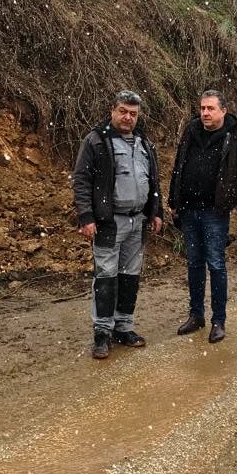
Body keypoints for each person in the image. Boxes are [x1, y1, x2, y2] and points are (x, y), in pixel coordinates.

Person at [73, 90, 163, 359]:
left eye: (133, 113)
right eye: (123, 111)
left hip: (138, 221)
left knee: (130, 277)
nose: (128, 117)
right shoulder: (96, 141)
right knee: (105, 276)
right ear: (112, 110)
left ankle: (123, 326)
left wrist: (156, 212)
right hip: (109, 222)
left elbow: (154, 180)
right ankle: (102, 332)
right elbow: (81, 180)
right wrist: (86, 217)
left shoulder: (144, 142)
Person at [168, 90, 237, 343]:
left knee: (216, 265)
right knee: (194, 264)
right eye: (202, 108)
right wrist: (173, 200)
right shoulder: (191, 130)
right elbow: (179, 165)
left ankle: (218, 321)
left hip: (214, 212)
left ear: (223, 110)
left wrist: (236, 198)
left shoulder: (236, 135)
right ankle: (196, 315)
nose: (205, 113)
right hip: (189, 210)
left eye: (210, 108)